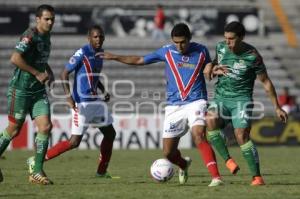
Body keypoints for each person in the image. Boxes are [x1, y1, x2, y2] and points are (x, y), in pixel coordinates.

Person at [103, 23, 224, 187]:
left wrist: (211, 68)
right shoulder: (167, 51)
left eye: (183, 42)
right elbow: (140, 60)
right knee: (168, 153)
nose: (179, 46)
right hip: (174, 106)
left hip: (196, 101)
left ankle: (216, 177)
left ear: (189, 39)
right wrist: (116, 57)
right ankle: (183, 164)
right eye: (176, 42)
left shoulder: (201, 50)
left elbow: (208, 66)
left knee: (199, 135)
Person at [204, 21, 288, 186]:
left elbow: (265, 82)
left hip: (241, 100)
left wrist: (277, 107)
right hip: (221, 97)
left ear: (241, 37)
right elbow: (215, 62)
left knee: (241, 135)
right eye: (226, 38)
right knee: (209, 120)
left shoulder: (253, 56)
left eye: (232, 39)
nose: (228, 43)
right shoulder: (221, 47)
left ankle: (257, 177)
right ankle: (228, 160)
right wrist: (211, 67)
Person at [27, 25, 117, 179]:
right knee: (74, 142)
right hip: (81, 103)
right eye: (95, 37)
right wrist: (69, 98)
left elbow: (93, 76)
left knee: (110, 133)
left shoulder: (100, 54)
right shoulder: (82, 52)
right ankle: (36, 161)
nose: (99, 39)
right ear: (89, 38)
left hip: (95, 101)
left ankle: (101, 172)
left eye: (101, 36)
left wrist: (103, 91)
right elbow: (64, 74)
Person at [0, 4, 55, 185]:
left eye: (52, 19)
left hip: (37, 91)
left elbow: (40, 58)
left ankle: (36, 171)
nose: (50, 22)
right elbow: (15, 58)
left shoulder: (47, 37)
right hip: (21, 90)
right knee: (14, 129)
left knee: (45, 127)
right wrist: (37, 73)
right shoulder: (29, 35)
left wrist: (48, 70)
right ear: (38, 19)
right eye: (46, 19)